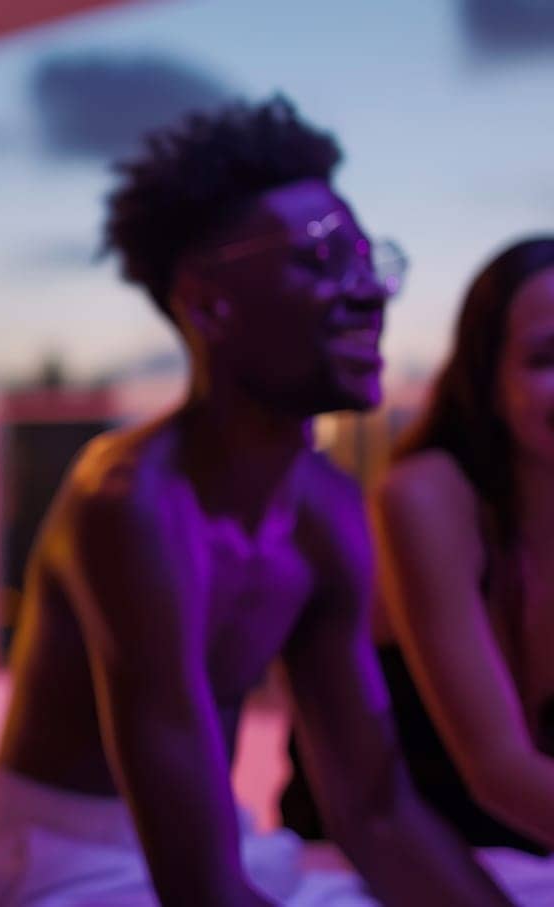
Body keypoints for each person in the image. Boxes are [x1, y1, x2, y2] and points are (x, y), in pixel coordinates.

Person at [0, 97, 513, 906]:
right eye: (323, 261)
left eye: (369, 259)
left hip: (214, 840)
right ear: (209, 302)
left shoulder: (323, 509)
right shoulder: (129, 503)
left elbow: (375, 809)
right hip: (62, 860)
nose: (369, 293)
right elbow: (197, 887)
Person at [280, 238, 554, 862]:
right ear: (488, 380)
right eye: (547, 357)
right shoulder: (427, 497)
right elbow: (498, 770)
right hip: (380, 865)